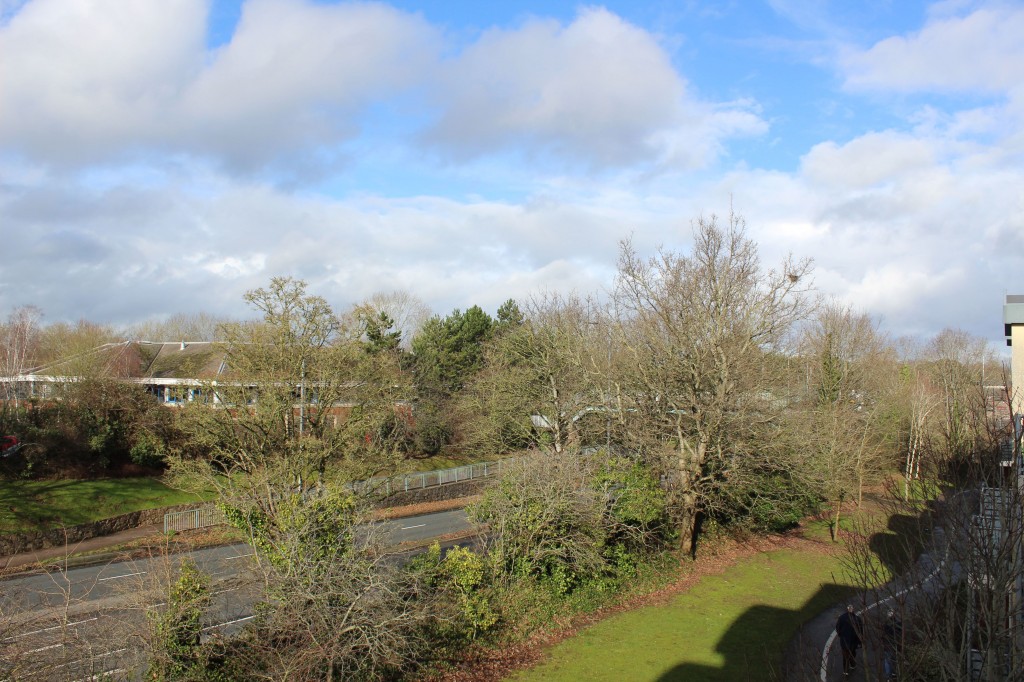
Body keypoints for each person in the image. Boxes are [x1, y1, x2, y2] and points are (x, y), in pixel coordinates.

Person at [835, 604, 863, 676]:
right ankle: (852, 664)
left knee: (845, 656)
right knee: (853, 653)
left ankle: (845, 670)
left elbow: (838, 628)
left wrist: (840, 634)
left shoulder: (841, 618)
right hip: (853, 640)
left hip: (844, 640)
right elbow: (860, 631)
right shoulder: (857, 619)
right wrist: (860, 642)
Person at [883, 608, 903, 680]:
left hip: (888, 645)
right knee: (894, 659)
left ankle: (889, 676)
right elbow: (900, 634)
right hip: (895, 644)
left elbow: (883, 635)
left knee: (888, 661)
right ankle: (894, 673)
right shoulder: (898, 623)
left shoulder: (885, 624)